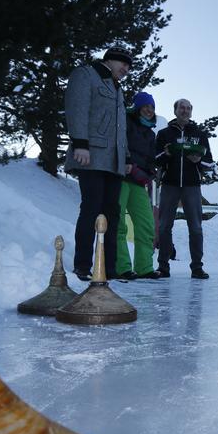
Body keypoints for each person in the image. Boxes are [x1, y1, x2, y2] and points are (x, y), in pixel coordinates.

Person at [64, 44, 131, 281]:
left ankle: (108, 268)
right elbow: (77, 108)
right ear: (110, 60)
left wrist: (127, 158)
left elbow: (120, 128)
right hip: (91, 155)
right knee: (91, 208)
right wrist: (80, 143)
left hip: (114, 162)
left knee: (112, 214)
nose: (126, 69)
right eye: (123, 63)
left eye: (129, 66)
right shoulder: (87, 75)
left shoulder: (117, 87)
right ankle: (82, 265)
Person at [154, 98, 213, 279]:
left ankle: (197, 267)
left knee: (195, 227)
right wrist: (167, 154)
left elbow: (209, 163)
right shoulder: (164, 134)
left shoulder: (200, 134)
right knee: (164, 226)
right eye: (182, 108)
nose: (185, 111)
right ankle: (163, 266)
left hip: (192, 186)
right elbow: (155, 159)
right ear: (175, 110)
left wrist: (198, 161)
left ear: (191, 112)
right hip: (170, 184)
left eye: (188, 108)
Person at [116, 91, 160, 280]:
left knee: (146, 224)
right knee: (118, 224)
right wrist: (130, 165)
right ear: (137, 107)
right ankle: (122, 267)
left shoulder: (151, 134)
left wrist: (149, 174)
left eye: (152, 107)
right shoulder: (125, 122)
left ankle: (144, 267)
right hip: (121, 177)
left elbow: (151, 159)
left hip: (138, 182)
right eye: (146, 106)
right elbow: (120, 145)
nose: (149, 110)